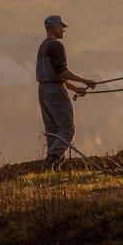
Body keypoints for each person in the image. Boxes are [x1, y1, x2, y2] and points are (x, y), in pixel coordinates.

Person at [36, 14, 97, 170]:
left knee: (52, 130)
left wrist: (75, 89)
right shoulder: (56, 46)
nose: (64, 30)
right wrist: (84, 81)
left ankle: (52, 168)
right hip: (55, 91)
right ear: (56, 26)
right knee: (67, 129)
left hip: (43, 91)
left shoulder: (42, 46)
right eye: (62, 27)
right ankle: (51, 160)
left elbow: (54, 75)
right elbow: (62, 71)